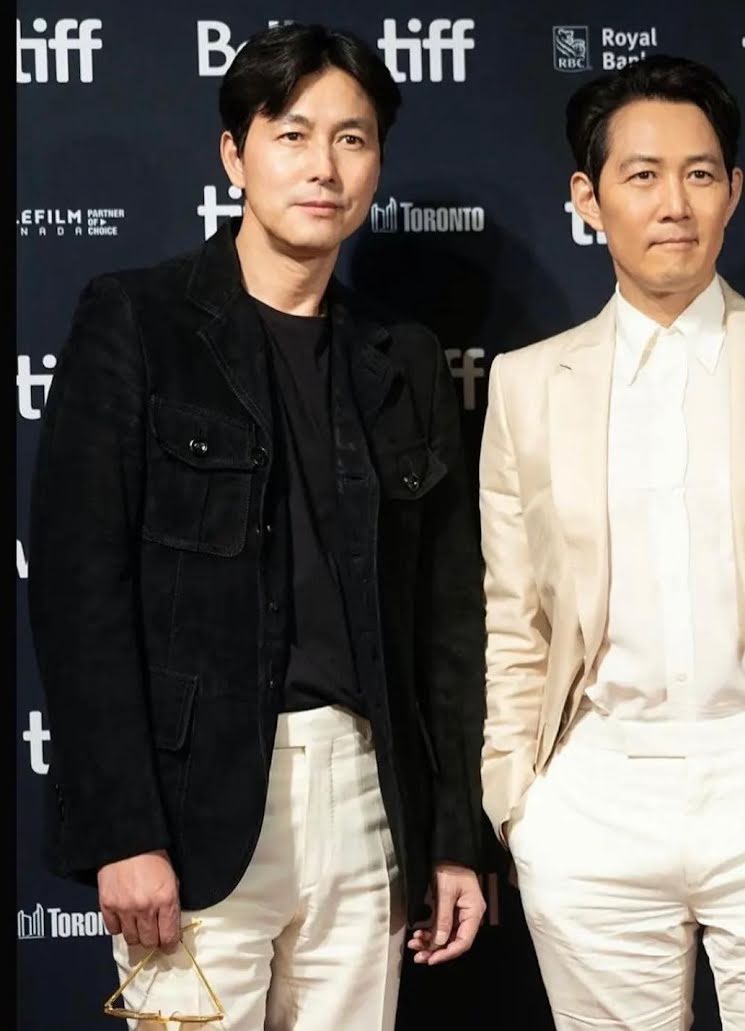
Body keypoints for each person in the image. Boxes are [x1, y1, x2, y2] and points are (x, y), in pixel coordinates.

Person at [29, 21, 486, 1030]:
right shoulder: (138, 321)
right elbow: (78, 594)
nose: (324, 166)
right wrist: (123, 828)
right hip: (193, 805)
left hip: (366, 800)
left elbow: (445, 620)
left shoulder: (403, 356)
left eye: (353, 139)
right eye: (292, 134)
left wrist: (454, 834)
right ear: (235, 155)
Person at [479, 54, 745, 1030]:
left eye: (700, 173)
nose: (674, 203)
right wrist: (522, 800)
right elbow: (515, 616)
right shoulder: (528, 383)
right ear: (587, 198)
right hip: (595, 793)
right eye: (642, 175)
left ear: (735, 191)